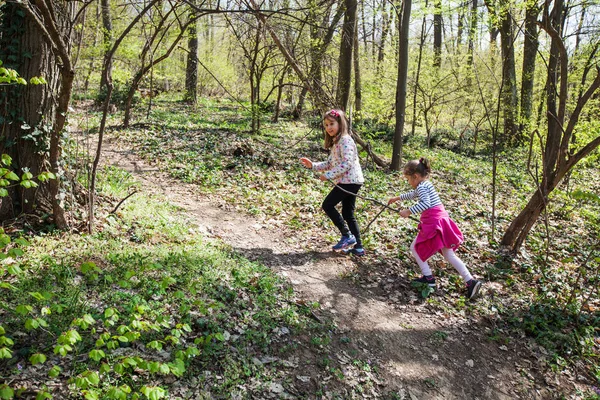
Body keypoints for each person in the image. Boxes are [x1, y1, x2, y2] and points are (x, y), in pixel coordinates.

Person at [388, 158, 482, 299]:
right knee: (449, 254)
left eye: (408, 180)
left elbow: (425, 203)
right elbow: (413, 194)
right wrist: (398, 198)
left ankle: (428, 278)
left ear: (416, 177)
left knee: (415, 247)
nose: (409, 183)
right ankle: (470, 281)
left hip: (434, 222)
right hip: (441, 219)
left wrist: (408, 211)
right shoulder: (425, 184)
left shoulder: (421, 187)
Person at [300, 109, 365, 256]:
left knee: (327, 205)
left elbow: (347, 163)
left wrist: (329, 175)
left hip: (349, 181)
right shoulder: (337, 142)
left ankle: (347, 235)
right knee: (348, 213)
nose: (329, 127)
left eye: (332, 124)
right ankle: (358, 247)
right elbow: (330, 163)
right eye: (326, 125)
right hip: (350, 181)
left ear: (340, 123)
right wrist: (313, 165)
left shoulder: (346, 140)